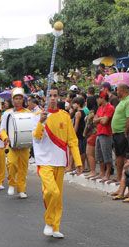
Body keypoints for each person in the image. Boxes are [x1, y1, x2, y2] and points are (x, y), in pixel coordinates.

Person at [32, 86, 83, 238]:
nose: (53, 98)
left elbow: (72, 140)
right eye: (50, 96)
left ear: (59, 97)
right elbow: (36, 138)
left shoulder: (65, 116)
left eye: (55, 95)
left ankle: (55, 227)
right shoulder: (37, 116)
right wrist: (41, 122)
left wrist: (78, 162)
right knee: (51, 191)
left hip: (60, 160)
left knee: (58, 196)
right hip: (44, 160)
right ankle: (49, 221)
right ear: (45, 99)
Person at [0, 88, 31, 198]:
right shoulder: (7, 113)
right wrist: (5, 137)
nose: (18, 101)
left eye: (19, 99)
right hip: (12, 145)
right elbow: (2, 129)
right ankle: (12, 183)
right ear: (12, 100)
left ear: (23, 100)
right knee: (11, 164)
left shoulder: (28, 113)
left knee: (23, 168)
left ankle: (21, 189)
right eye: (15, 99)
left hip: (24, 145)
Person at [111, 83, 129, 183]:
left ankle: (126, 177)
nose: (117, 92)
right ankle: (118, 176)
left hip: (125, 132)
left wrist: (126, 132)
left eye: (118, 90)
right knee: (118, 154)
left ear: (123, 90)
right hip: (117, 132)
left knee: (126, 155)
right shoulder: (122, 101)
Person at [93, 91, 115, 181]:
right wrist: (100, 118)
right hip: (99, 132)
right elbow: (94, 120)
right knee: (99, 154)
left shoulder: (110, 107)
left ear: (102, 98)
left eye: (99, 98)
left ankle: (107, 173)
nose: (97, 100)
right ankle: (102, 172)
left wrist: (99, 119)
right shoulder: (100, 108)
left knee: (106, 154)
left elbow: (105, 121)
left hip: (106, 133)